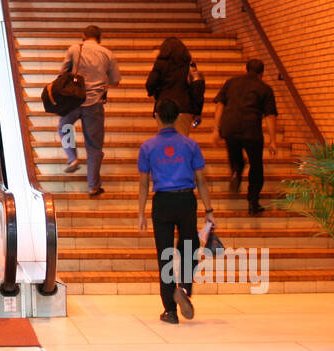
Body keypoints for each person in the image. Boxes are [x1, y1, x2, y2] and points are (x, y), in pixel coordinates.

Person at [136, 99, 216, 325]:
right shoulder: (190, 145)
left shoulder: (148, 147)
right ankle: (185, 287)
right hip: (186, 200)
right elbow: (201, 180)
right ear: (177, 118)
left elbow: (143, 184)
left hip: (162, 202)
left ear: (157, 117)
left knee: (165, 255)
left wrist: (141, 213)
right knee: (190, 248)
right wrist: (209, 210)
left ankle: (170, 311)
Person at [58, 25, 121, 198]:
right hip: (95, 103)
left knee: (65, 125)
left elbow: (62, 72)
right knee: (94, 145)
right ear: (100, 38)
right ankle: (93, 186)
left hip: (73, 100)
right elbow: (116, 80)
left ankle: (72, 157)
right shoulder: (107, 54)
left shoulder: (74, 49)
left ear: (83, 36)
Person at [213, 58, 279, 216]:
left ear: (245, 69)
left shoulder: (231, 82)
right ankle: (253, 202)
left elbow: (220, 104)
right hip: (251, 130)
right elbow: (270, 116)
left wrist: (216, 129)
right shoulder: (265, 89)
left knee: (235, 157)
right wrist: (273, 141)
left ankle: (236, 171)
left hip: (229, 127)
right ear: (261, 74)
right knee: (256, 166)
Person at [145, 37, 205, 136]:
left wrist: (155, 93)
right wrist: (197, 111)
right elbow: (198, 88)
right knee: (181, 140)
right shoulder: (190, 66)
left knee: (165, 140)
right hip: (184, 109)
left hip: (163, 108)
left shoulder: (160, 64)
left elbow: (150, 84)